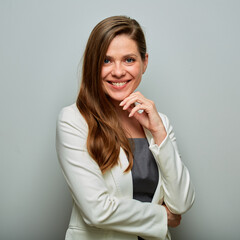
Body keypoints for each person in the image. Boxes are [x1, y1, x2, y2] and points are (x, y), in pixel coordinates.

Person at [56, 15, 195, 240]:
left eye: (129, 60)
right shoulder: (73, 120)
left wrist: (159, 132)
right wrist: (161, 217)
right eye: (106, 60)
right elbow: (97, 211)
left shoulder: (159, 123)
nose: (118, 71)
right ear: (93, 64)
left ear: (145, 62)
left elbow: (181, 202)